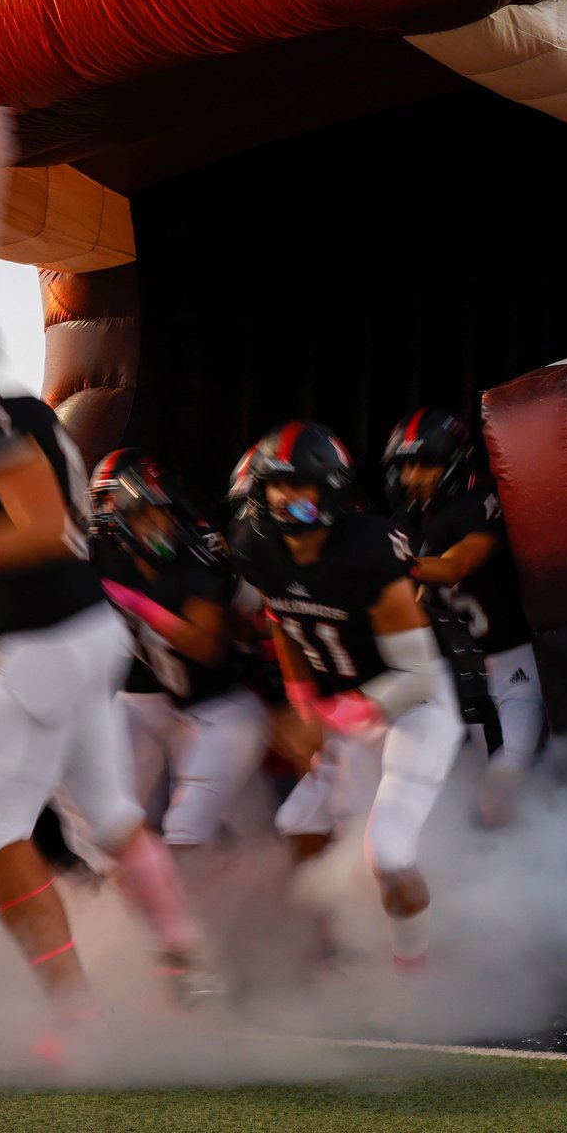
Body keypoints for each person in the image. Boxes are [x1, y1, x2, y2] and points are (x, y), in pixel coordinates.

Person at [0, 293, 221, 1029]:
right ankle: (184, 959)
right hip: (68, 633)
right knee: (108, 817)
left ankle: (70, 1015)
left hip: (49, 640)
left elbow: (43, 528)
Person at [233, 422, 460, 971]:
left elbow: (417, 675)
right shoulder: (256, 547)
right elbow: (283, 622)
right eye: (275, 485)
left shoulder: (367, 549)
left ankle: (417, 971)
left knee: (387, 850)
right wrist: (303, 699)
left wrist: (332, 716)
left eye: (300, 485)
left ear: (331, 488)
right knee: (299, 824)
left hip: (413, 707)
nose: (285, 497)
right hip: (346, 710)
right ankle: (336, 949)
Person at [90, 450, 267, 873]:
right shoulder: (97, 557)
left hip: (218, 708)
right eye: (145, 513)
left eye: (162, 512)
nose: (159, 525)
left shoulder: (197, 560)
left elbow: (213, 644)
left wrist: (142, 606)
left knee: (208, 833)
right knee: (111, 825)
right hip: (153, 701)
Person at [382, 409, 543, 825]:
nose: (413, 476)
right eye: (406, 465)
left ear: (454, 463)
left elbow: (454, 568)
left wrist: (396, 563)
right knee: (461, 789)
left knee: (502, 786)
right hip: (465, 670)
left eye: (426, 464)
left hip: (516, 665)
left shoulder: (482, 503)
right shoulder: (407, 524)